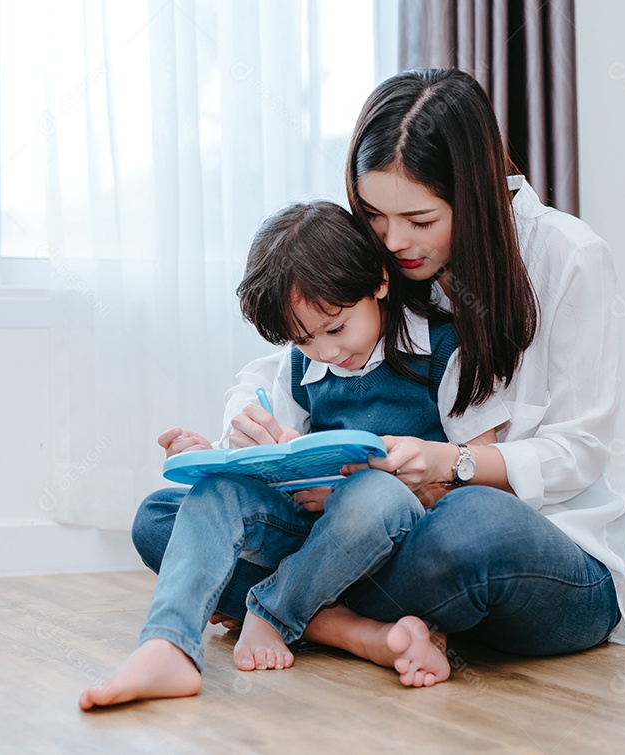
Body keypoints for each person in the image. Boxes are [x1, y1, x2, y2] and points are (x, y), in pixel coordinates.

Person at [131, 68, 625, 687]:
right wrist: (247, 432)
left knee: (468, 526)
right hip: (375, 534)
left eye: (421, 220)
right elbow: (288, 360)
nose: (395, 242)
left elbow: (579, 452)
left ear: (472, 197)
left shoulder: (568, 256)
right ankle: (352, 628)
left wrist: (449, 466)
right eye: (373, 215)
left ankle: (293, 608)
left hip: (538, 549)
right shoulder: (392, 259)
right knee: (166, 515)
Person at [79, 200, 506, 710]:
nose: (324, 352)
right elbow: (276, 459)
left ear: (378, 283)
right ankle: (168, 644)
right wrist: (213, 457)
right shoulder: (299, 367)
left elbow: (480, 479)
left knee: (375, 495)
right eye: (303, 340)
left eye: (336, 329)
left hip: (396, 542)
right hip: (313, 540)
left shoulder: (446, 349)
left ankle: (273, 613)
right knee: (159, 515)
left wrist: (363, 486)